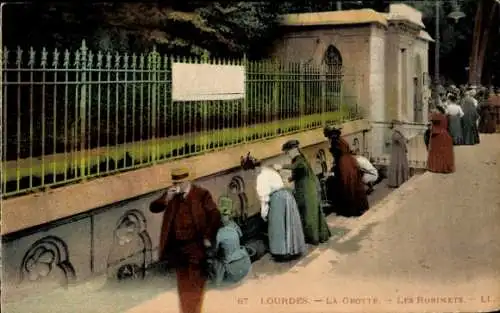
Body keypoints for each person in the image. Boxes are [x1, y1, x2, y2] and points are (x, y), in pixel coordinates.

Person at [149, 167, 222, 313]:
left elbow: (215, 215)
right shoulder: (172, 195)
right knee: (183, 286)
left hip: (196, 246)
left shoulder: (201, 194)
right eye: (175, 183)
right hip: (178, 248)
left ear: (188, 181)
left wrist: (208, 237)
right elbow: (153, 208)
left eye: (180, 183)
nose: (177, 186)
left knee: (195, 285)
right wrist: (166, 198)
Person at [241, 153, 306, 261]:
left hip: (277, 200)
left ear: (252, 170)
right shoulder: (269, 170)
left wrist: (264, 214)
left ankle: (282, 253)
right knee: (289, 224)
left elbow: (264, 198)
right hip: (287, 196)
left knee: (277, 226)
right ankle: (293, 250)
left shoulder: (261, 177)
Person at [273, 140, 331, 245]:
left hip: (308, 190)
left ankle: (314, 238)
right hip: (305, 189)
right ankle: (319, 236)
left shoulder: (299, 159)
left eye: (288, 152)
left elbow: (299, 167)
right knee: (311, 213)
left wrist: (281, 166)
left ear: (294, 150)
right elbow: (299, 172)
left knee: (310, 215)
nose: (288, 154)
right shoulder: (298, 159)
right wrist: (290, 179)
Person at [206, 203, 251, 287]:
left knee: (211, 259)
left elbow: (213, 251)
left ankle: (217, 283)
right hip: (244, 263)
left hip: (233, 270)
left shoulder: (219, 233)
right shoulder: (234, 225)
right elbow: (241, 238)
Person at [328, 135, 369, 217]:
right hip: (350, 162)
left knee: (346, 186)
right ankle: (359, 208)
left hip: (344, 164)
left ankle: (349, 210)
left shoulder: (335, 143)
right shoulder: (342, 141)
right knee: (355, 185)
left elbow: (336, 154)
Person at [427, 108, 455, 174]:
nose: (435, 111)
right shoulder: (444, 117)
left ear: (439, 111)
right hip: (445, 135)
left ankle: (437, 167)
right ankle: (444, 167)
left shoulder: (438, 116)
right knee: (444, 152)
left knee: (436, 152)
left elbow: (431, 119)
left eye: (436, 110)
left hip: (438, 135)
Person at [387, 120, 410, 188]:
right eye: (399, 126)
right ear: (396, 126)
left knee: (398, 165)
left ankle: (398, 182)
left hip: (399, 152)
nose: (400, 127)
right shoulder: (396, 134)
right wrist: (406, 143)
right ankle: (397, 182)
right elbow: (402, 142)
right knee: (399, 165)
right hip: (398, 153)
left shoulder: (397, 133)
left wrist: (405, 140)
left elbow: (403, 140)